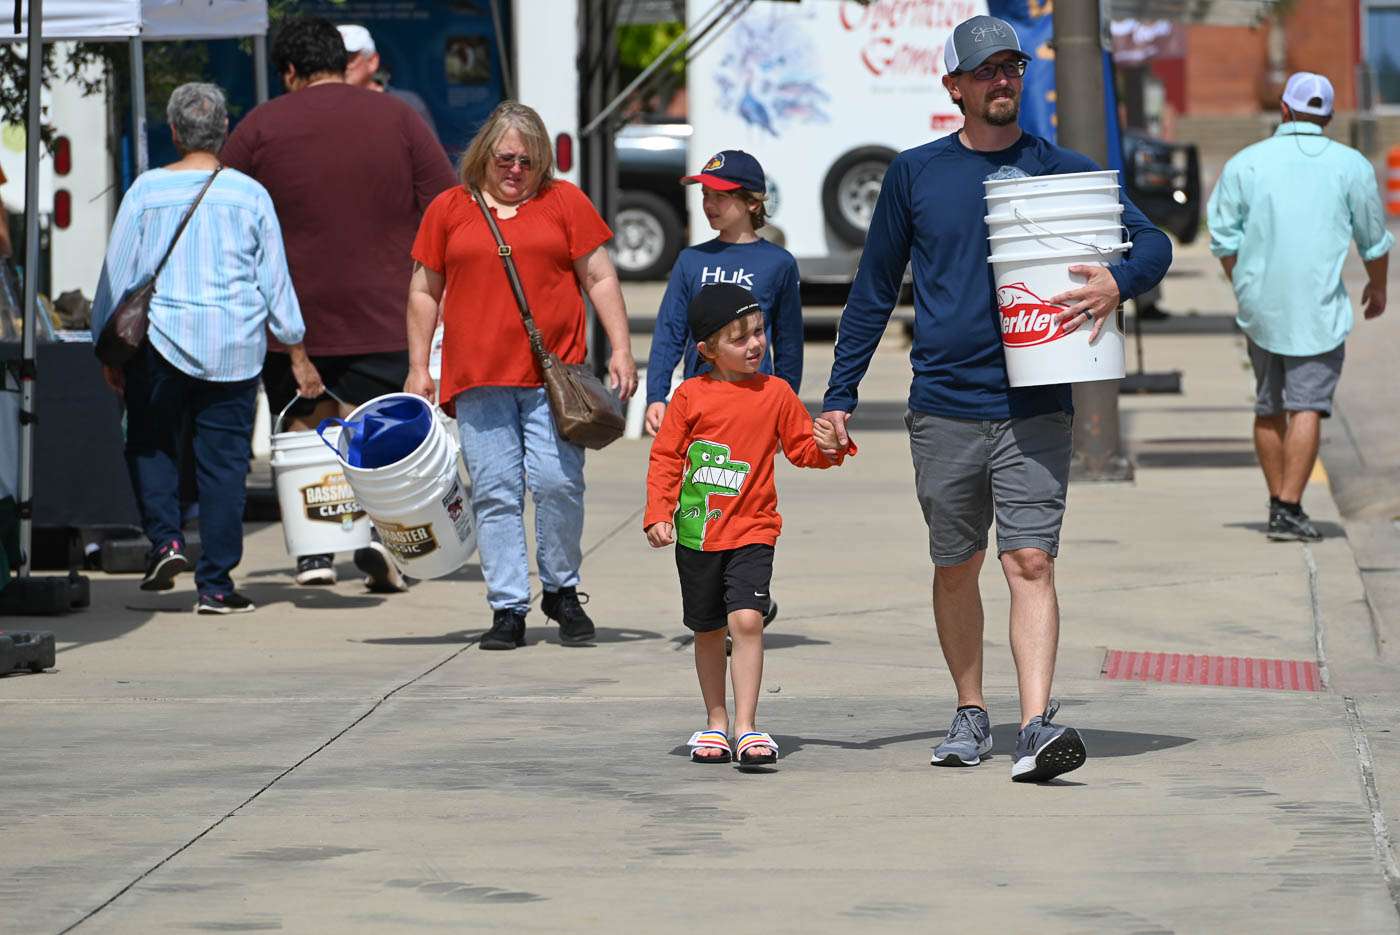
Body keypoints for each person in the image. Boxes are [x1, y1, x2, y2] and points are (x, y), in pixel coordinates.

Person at [816, 15, 1172, 783]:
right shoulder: (915, 174)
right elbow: (873, 291)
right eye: (985, 71)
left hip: (1034, 406)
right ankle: (972, 709)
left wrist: (1118, 280)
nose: (1002, 79)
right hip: (943, 404)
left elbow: (1154, 243)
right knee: (957, 562)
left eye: (1011, 66)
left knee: (1030, 559)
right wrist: (839, 394)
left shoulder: (1064, 172)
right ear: (954, 87)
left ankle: (1036, 725)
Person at [222, 15, 457, 590]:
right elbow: (446, 205)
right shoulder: (398, 117)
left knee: (306, 429)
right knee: (382, 436)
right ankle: (384, 539)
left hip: (293, 321)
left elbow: (225, 205)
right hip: (386, 311)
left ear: (289, 71)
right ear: (343, 61)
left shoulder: (260, 126)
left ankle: (316, 551)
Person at [405, 101, 638, 650]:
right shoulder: (449, 209)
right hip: (477, 379)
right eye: (505, 159)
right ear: (484, 155)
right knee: (496, 492)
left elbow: (600, 277)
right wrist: (418, 367)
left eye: (528, 162)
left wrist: (622, 348)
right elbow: (424, 290)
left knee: (559, 484)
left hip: (553, 382)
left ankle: (560, 589)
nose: (515, 170)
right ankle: (508, 606)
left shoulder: (565, 202)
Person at [91, 83, 317, 614]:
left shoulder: (146, 191)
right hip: (234, 347)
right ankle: (215, 584)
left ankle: (166, 541)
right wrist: (296, 348)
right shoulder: (250, 195)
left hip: (160, 343)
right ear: (225, 132)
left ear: (173, 132)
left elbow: (116, 276)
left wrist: (107, 347)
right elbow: (275, 282)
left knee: (150, 443)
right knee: (224, 466)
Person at [644, 284, 853, 766]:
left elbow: (802, 449)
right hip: (698, 534)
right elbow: (666, 458)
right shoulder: (689, 396)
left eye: (759, 331)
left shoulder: (776, 393)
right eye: (739, 338)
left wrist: (830, 447)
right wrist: (658, 512)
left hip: (754, 530)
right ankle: (716, 722)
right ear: (707, 350)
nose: (755, 344)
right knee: (708, 629)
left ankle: (747, 726)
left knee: (747, 620)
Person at [1208, 72, 1391, 542]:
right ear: (1327, 116)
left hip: (1260, 306)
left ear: (1284, 109)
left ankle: (1278, 504)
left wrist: (1243, 283)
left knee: (1269, 405)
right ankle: (1289, 507)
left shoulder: (1246, 162)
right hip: (1318, 306)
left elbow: (1223, 236)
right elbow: (1374, 240)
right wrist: (1378, 288)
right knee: (1307, 405)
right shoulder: (1351, 165)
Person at [645, 148, 800, 638]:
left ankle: (747, 593)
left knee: (744, 499)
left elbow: (789, 342)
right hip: (701, 408)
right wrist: (657, 393)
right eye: (705, 195)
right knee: (705, 493)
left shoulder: (777, 263)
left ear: (752, 201)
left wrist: (788, 413)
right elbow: (671, 328)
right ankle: (727, 599)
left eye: (720, 196)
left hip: (754, 410)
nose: (709, 204)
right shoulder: (692, 260)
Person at [337, 23, 439, 137]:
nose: (340, 65)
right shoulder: (325, 107)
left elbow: (428, 148)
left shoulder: (407, 104)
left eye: (349, 57)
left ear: (372, 61)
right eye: (335, 58)